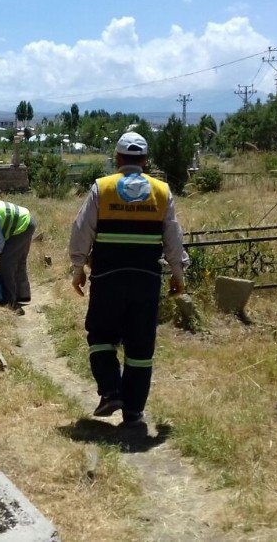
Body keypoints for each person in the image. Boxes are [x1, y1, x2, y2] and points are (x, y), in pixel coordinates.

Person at [68, 132, 188, 426]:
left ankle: (110, 391)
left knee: (100, 335)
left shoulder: (102, 188)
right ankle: (133, 411)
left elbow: (82, 230)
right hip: (146, 280)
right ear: (145, 161)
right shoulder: (161, 192)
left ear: (118, 159)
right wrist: (178, 272)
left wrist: (78, 268)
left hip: (107, 277)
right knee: (140, 345)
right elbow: (173, 237)